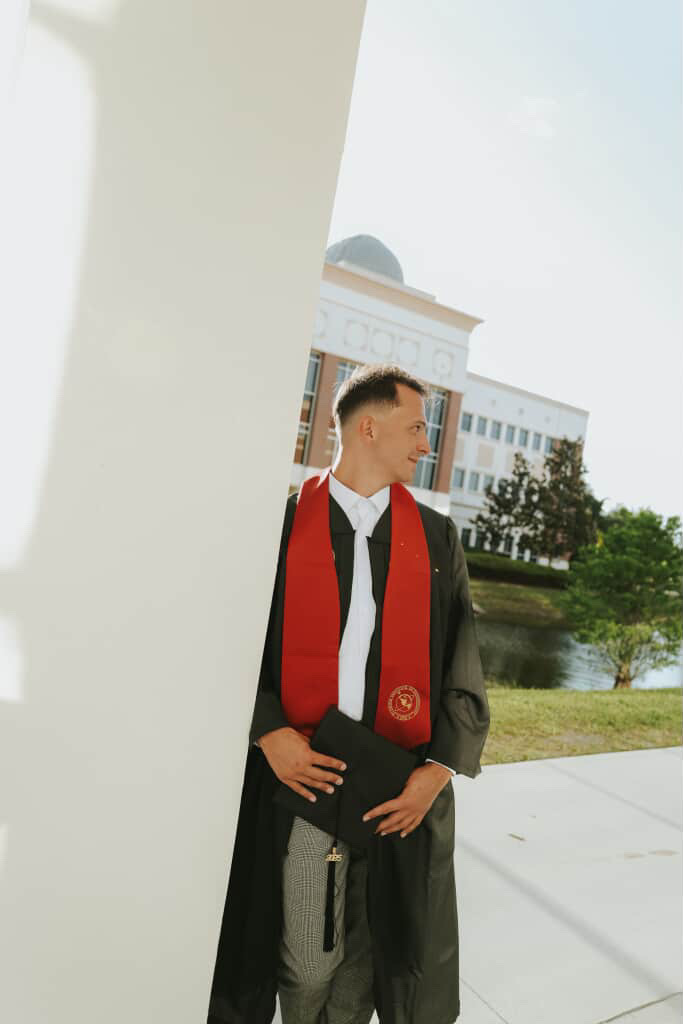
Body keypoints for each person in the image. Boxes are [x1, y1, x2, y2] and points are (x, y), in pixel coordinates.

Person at [207, 362, 490, 1024]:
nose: (426, 444)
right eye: (417, 427)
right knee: (304, 955)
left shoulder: (436, 536)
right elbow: (226, 643)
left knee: (374, 952)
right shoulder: (278, 526)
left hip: (397, 777)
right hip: (302, 772)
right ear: (368, 427)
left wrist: (438, 770)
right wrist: (266, 728)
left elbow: (461, 660)